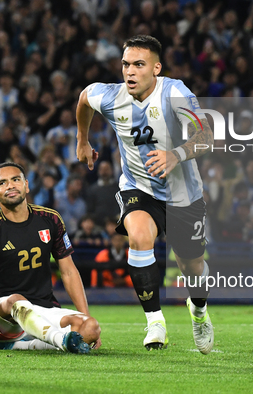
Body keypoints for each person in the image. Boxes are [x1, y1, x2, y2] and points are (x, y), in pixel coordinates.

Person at [76, 35, 214, 353]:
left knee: (191, 266)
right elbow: (84, 98)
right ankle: (155, 321)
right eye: (126, 64)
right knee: (138, 237)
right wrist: (82, 139)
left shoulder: (175, 93)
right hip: (139, 187)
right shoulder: (109, 96)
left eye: (139, 65)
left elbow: (206, 135)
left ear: (156, 68)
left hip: (183, 194)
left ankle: (199, 311)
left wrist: (176, 154)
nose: (130, 72)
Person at [0, 162, 101, 353]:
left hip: (43, 308)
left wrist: (84, 315)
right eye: (2, 183)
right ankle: (59, 340)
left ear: (26, 185)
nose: (10, 186)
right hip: (1, 315)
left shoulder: (51, 219)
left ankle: (18, 345)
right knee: (15, 300)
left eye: (16, 180)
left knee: (91, 328)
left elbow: (69, 271)